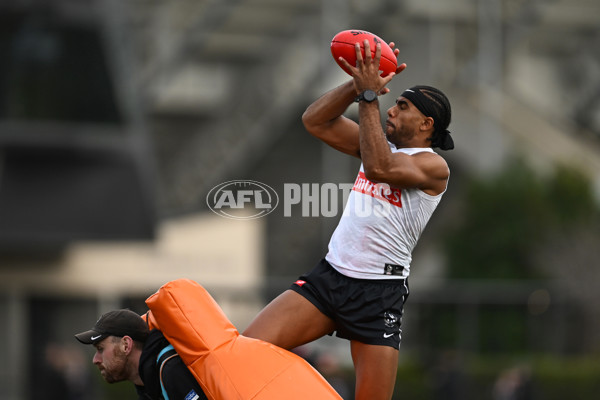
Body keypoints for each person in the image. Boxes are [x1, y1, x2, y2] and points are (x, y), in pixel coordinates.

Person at [243, 39, 454, 400]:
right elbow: (315, 120)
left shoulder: (434, 166)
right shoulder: (377, 143)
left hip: (378, 295)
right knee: (245, 352)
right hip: (331, 277)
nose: (391, 111)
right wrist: (357, 84)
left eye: (401, 107)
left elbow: (378, 168)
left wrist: (370, 97)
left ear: (426, 123)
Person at [75, 309, 208, 400]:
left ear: (126, 345)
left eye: (100, 349)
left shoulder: (171, 369)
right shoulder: (147, 384)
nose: (95, 360)